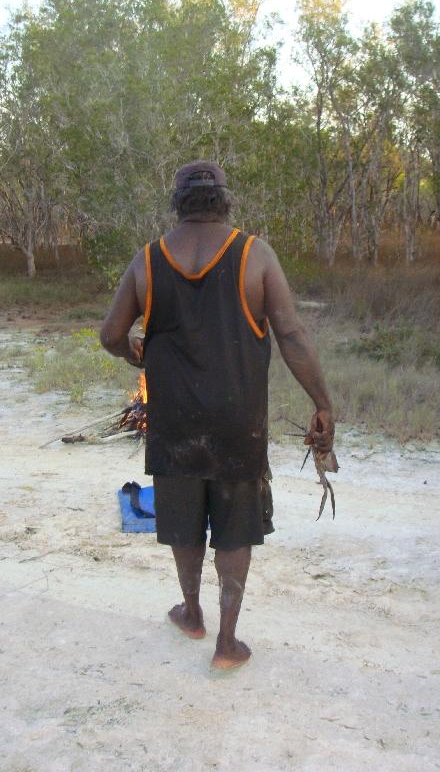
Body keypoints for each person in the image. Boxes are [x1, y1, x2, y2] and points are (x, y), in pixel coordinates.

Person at [100, 160, 334, 670]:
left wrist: (132, 351)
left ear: (178, 204)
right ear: (225, 201)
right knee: (233, 532)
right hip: (238, 427)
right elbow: (293, 336)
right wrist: (322, 402)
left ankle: (191, 612)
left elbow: (110, 334)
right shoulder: (256, 255)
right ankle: (227, 644)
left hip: (175, 426)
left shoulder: (148, 260)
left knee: (183, 525)